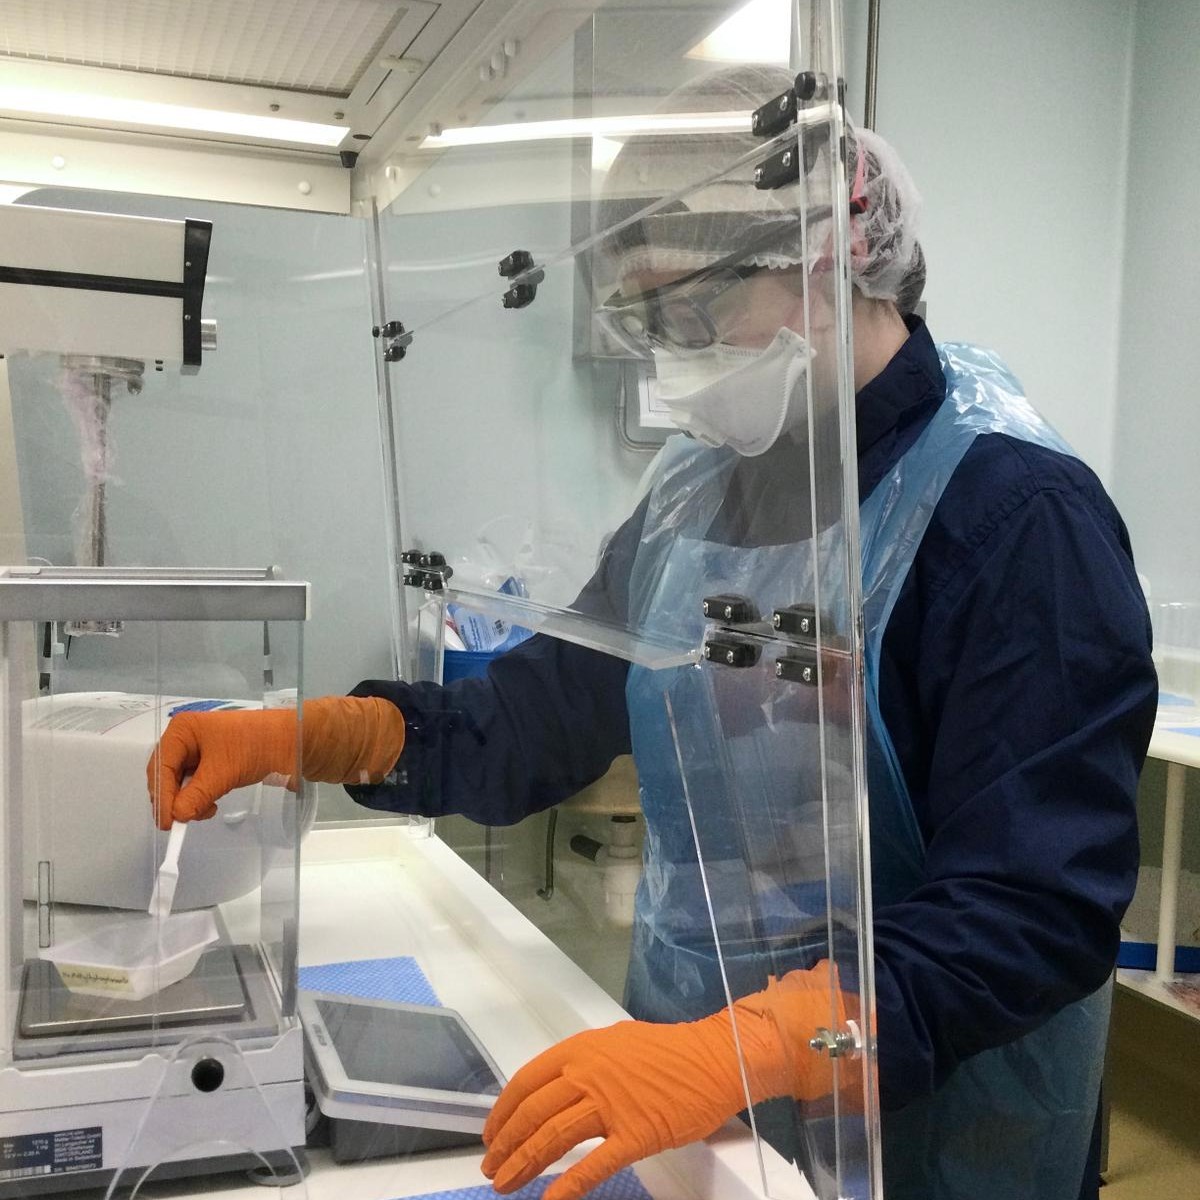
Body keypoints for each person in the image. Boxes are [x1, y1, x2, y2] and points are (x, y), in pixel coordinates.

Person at [147, 66, 1156, 1200]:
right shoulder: (699, 488)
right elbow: (544, 709)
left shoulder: (1015, 516)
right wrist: (320, 738)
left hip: (928, 1127)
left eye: (693, 311)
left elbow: (1034, 903)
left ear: (825, 256)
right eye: (646, 322)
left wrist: (753, 1046)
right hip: (703, 1108)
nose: (675, 358)